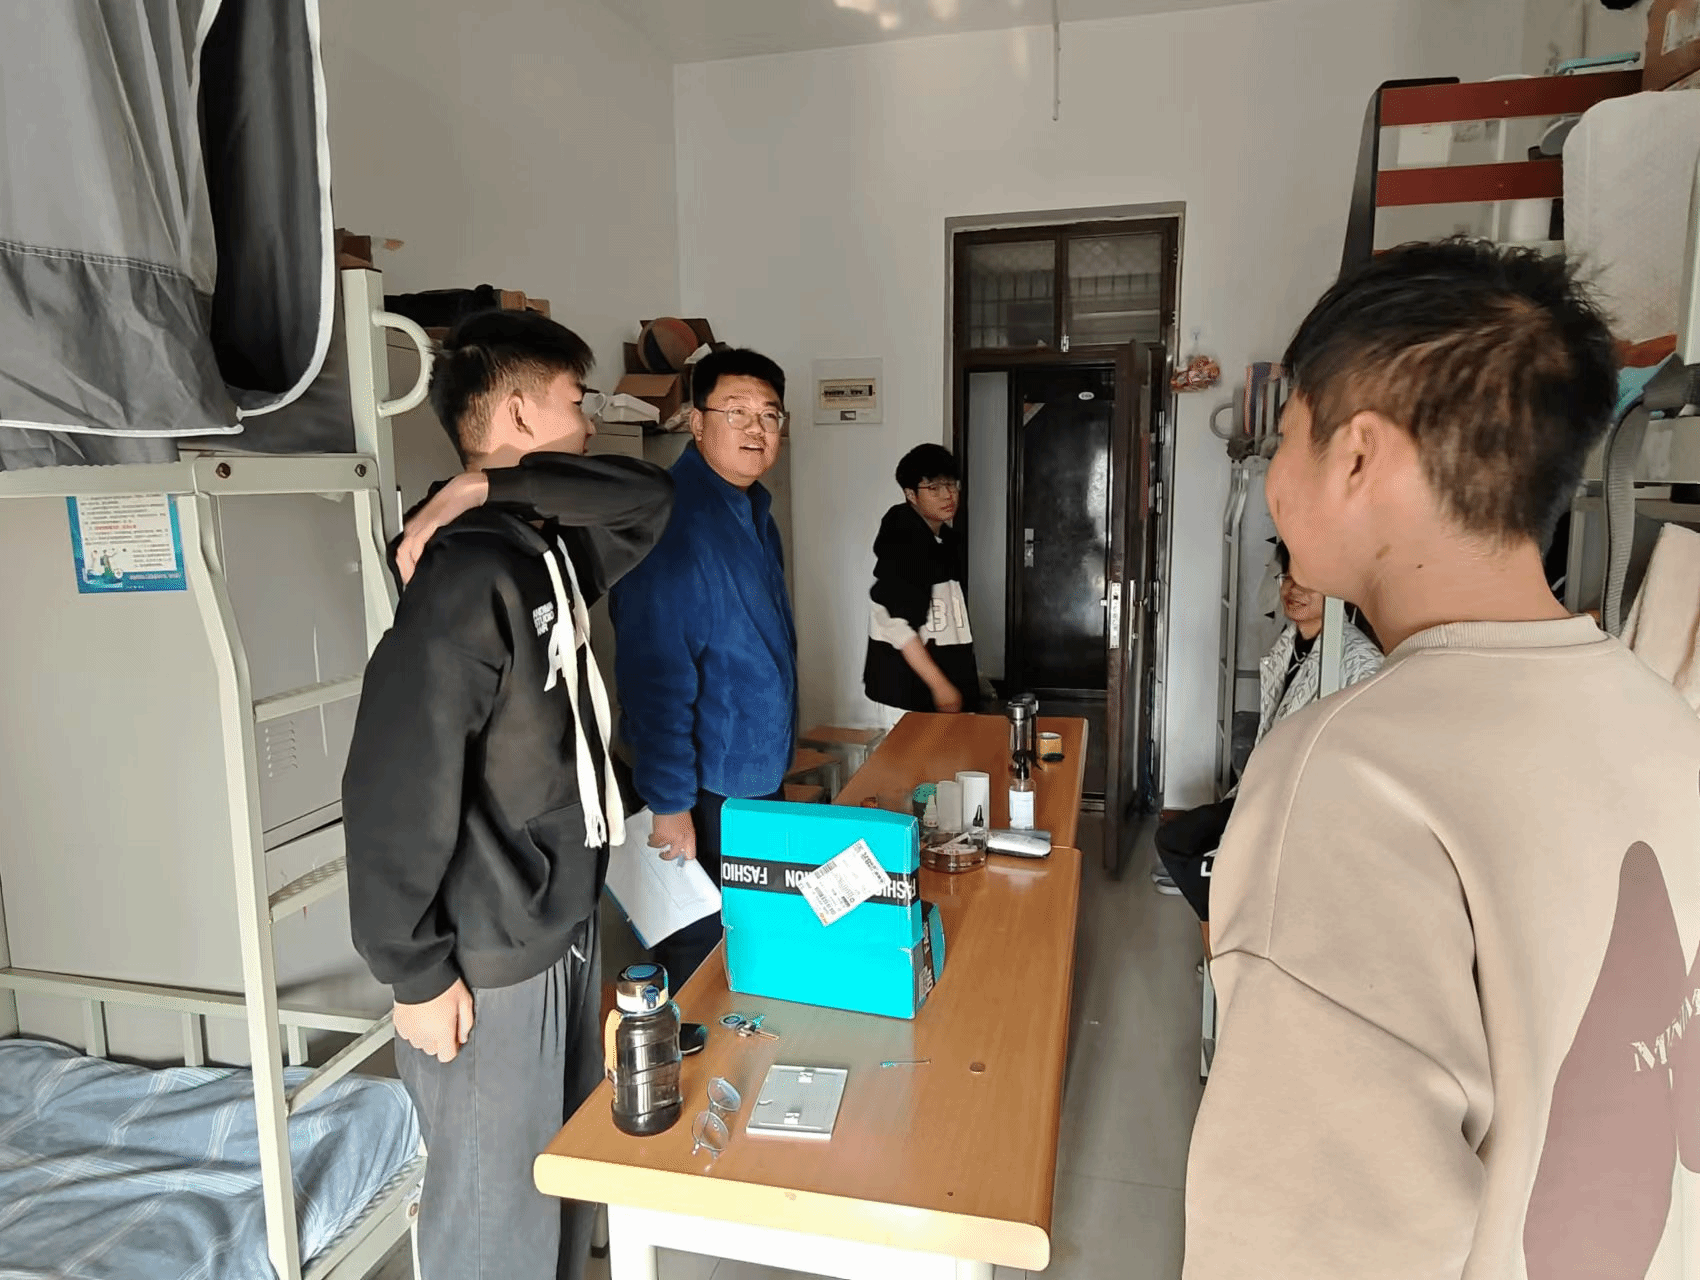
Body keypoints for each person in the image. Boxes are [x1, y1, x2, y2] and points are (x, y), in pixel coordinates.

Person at [1184, 240, 1700, 1279]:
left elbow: (1312, 1249)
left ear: (1356, 456)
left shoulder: (1349, 776)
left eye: (1286, 435)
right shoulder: (1661, 714)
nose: (1275, 477)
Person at [341, 309, 673, 1280]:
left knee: (557, 1186)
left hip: (558, 923)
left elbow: (649, 499)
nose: (591, 422)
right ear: (521, 412)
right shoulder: (466, 572)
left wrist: (486, 481)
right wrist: (412, 971)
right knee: (495, 1224)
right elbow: (391, 781)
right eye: (576, 402)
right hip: (489, 955)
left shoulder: (540, 546)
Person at [610, 348, 797, 988]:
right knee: (702, 953)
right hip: (702, 786)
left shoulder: (751, 509)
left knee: (749, 940)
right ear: (696, 421)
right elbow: (656, 676)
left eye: (769, 415)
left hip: (751, 774)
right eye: (735, 412)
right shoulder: (676, 519)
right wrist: (669, 805)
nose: (756, 429)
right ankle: (699, 1051)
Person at [1152, 541, 1381, 913]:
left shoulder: (1361, 663)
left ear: (1339, 588)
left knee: (1193, 854)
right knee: (1177, 842)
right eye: (1288, 577)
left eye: (1309, 581)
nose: (1293, 589)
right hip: (1264, 793)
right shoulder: (1287, 645)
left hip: (1302, 810)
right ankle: (1221, 924)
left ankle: (1223, 924)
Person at [863, 443, 978, 721]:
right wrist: (940, 685)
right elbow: (895, 622)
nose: (948, 495)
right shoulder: (902, 538)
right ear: (910, 494)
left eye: (951, 485)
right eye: (934, 488)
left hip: (941, 682)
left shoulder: (945, 540)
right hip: (907, 688)